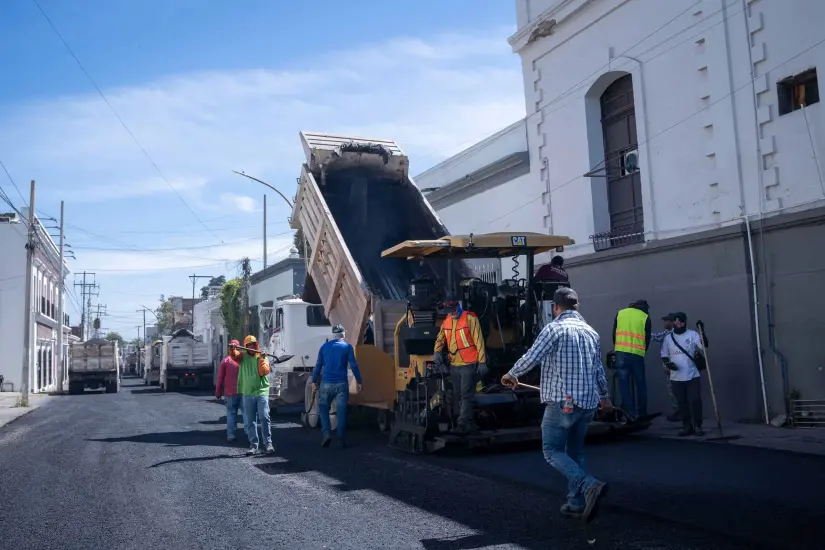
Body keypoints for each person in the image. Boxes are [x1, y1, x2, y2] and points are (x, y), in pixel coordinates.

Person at [501, 287, 612, 522]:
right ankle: (575, 502)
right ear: (576, 306)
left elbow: (533, 356)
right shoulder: (591, 332)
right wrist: (604, 397)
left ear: (555, 307)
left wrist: (512, 374)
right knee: (575, 452)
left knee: (552, 451)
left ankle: (588, 484)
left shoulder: (554, 329)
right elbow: (598, 370)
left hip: (563, 403)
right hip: (588, 403)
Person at [433, 292, 487, 434]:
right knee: (457, 394)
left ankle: (463, 423)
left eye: (453, 311)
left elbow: (479, 340)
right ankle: (466, 421)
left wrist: (482, 362)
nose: (452, 314)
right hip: (455, 364)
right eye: (449, 312)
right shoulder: (447, 321)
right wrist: (437, 352)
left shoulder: (470, 318)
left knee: (466, 394)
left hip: (469, 363)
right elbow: (440, 338)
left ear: (458, 306)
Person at [312, 324, 362, 449]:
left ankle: (326, 433)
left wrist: (313, 381)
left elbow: (318, 366)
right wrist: (359, 381)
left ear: (333, 334)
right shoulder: (347, 347)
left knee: (323, 409)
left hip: (326, 383)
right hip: (341, 384)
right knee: (342, 412)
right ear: (343, 334)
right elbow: (354, 365)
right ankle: (341, 440)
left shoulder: (324, 347)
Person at [660, 312, 706, 437]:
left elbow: (703, 346)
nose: (678, 324)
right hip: (676, 377)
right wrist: (668, 364)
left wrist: (702, 331)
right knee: (682, 403)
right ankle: (687, 426)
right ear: (673, 323)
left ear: (684, 322)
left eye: (681, 322)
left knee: (695, 401)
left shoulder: (692, 334)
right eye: (676, 322)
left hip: (692, 375)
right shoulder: (668, 338)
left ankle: (698, 426)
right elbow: (664, 354)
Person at [612, 299, 652, 419]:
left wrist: (618, 348)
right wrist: (642, 351)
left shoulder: (620, 313)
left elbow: (614, 333)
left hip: (621, 354)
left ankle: (629, 413)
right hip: (637, 354)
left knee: (624, 385)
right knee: (640, 384)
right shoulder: (645, 317)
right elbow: (647, 338)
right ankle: (642, 413)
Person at [237, 335, 275, 455]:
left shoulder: (261, 356)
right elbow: (234, 355)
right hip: (248, 392)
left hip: (261, 391)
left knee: (264, 417)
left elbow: (264, 371)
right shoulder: (242, 357)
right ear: (246, 347)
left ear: (256, 345)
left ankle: (268, 443)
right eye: (249, 345)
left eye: (253, 344)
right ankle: (253, 445)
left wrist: (263, 359)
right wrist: (232, 349)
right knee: (250, 421)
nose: (251, 347)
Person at [215, 340, 244, 442]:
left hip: (230, 392)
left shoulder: (226, 361)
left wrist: (218, 392)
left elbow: (220, 378)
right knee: (246, 414)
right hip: (244, 391)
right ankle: (250, 434)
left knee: (231, 413)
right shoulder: (243, 360)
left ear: (229, 348)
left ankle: (231, 435)